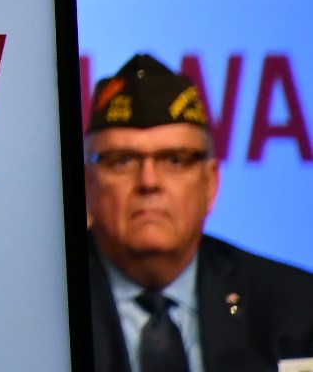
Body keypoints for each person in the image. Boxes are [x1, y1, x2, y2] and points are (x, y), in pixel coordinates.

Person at [84, 53, 313, 372]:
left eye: (175, 160)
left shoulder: (296, 309)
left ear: (211, 183)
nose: (149, 182)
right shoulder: (38, 309)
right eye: (122, 161)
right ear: (87, 184)